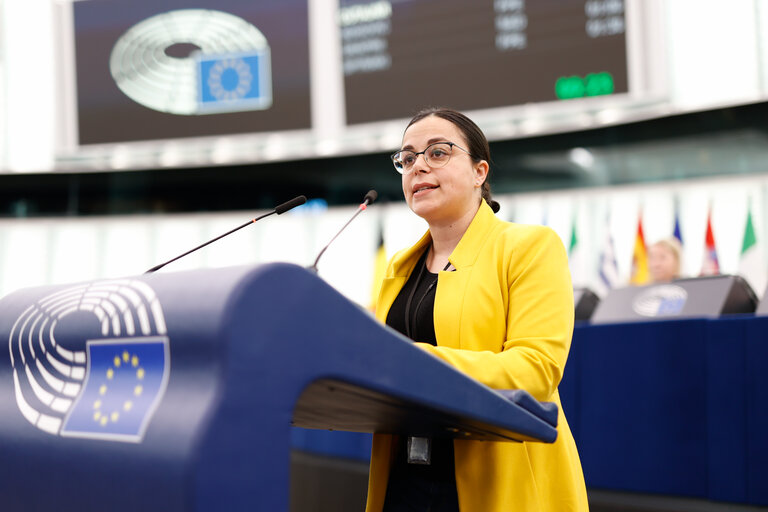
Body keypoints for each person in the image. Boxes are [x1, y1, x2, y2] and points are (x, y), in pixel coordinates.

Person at [366, 107, 588, 512]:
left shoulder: (529, 247)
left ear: (479, 172)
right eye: (408, 157)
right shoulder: (400, 267)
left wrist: (414, 362)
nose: (417, 167)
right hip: (405, 478)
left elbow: (536, 369)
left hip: (499, 476)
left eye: (437, 153)